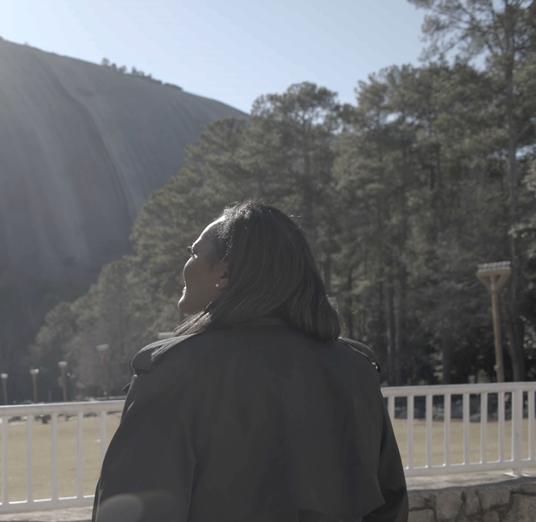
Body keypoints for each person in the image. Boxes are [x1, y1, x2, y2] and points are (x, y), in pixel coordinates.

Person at [92, 201, 408, 522]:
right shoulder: (356, 371)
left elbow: (132, 510)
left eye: (194, 252)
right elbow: (389, 504)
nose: (186, 265)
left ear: (225, 272)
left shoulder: (175, 372)